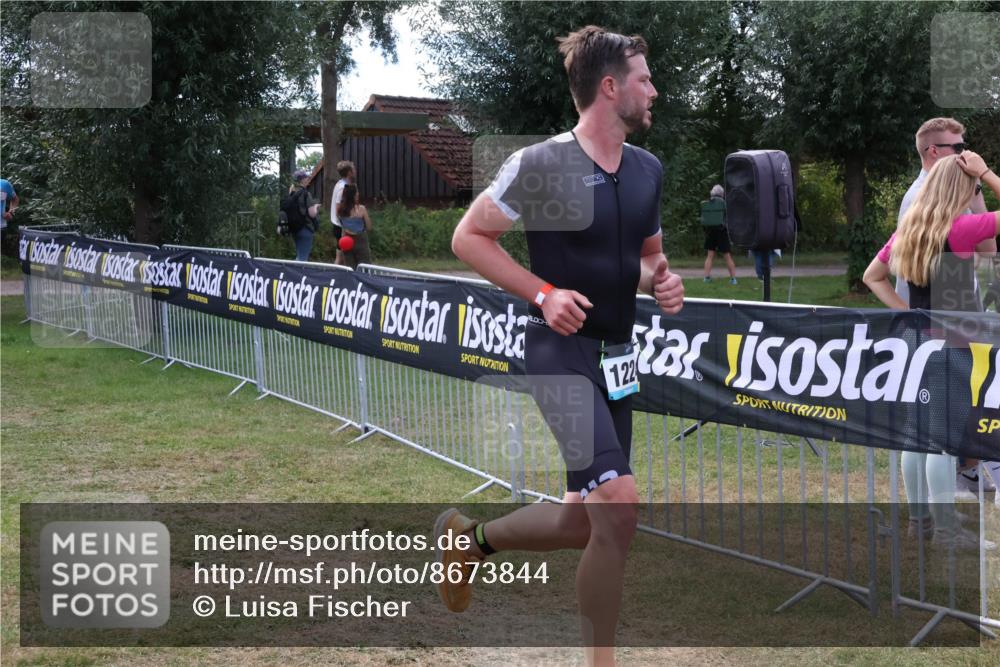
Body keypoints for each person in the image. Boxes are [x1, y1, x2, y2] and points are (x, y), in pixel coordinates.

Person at [442, 26, 683, 666]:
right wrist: (543, 292)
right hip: (557, 352)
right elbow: (470, 239)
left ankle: (470, 541)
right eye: (643, 78)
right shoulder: (543, 163)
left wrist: (663, 282)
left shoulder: (647, 170)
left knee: (584, 523)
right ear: (610, 88)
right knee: (621, 511)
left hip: (616, 358)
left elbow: (647, 260)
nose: (653, 89)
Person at [863, 151, 1000, 547]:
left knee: (916, 434)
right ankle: (945, 531)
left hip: (915, 341)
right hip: (951, 343)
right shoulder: (962, 228)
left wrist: (908, 312)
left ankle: (922, 521)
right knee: (943, 438)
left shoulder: (911, 226)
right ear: (963, 187)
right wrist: (986, 173)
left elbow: (873, 276)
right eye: (972, 186)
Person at [895, 118, 997, 504]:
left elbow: (987, 253)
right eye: (958, 148)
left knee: (923, 430)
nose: (967, 154)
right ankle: (943, 522)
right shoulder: (927, 204)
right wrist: (985, 175)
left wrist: (975, 196)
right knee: (937, 432)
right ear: (934, 153)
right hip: (945, 326)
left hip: (930, 324)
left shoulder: (942, 204)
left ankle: (933, 510)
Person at [701, 184, 737, 284]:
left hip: (710, 231)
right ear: (722, 193)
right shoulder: (724, 203)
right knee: (727, 256)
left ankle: (706, 277)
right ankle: (733, 279)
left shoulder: (707, 203)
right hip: (722, 232)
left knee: (709, 256)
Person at [335, 184, 372, 269]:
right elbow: (369, 226)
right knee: (365, 267)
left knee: (349, 267)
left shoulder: (340, 211)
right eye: (357, 192)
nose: (358, 194)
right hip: (360, 239)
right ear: (353, 195)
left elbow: (341, 224)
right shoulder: (361, 209)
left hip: (346, 240)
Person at [287, 169, 320, 262]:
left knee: (299, 255)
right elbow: (312, 214)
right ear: (302, 180)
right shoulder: (306, 194)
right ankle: (295, 276)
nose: (308, 180)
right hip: (305, 228)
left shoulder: (292, 193)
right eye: (306, 178)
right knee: (302, 259)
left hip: (294, 228)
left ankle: (293, 274)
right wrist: (316, 207)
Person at [330, 160, 355, 265]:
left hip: (339, 224)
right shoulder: (342, 187)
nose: (355, 171)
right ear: (349, 172)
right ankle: (336, 278)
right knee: (342, 258)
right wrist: (345, 226)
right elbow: (338, 209)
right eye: (353, 169)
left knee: (342, 256)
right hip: (341, 226)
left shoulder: (340, 183)